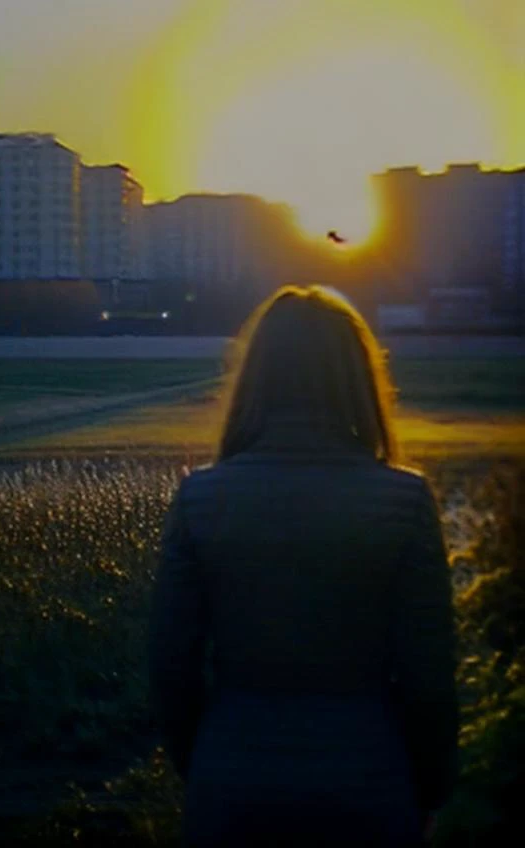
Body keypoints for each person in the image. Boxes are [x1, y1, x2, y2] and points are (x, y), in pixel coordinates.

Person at [148, 285, 458, 847]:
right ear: (357, 378)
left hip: (231, 785)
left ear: (255, 380)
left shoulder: (200, 500)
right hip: (370, 785)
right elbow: (429, 680)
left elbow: (170, 667)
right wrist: (430, 792)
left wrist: (209, 766)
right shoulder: (404, 503)